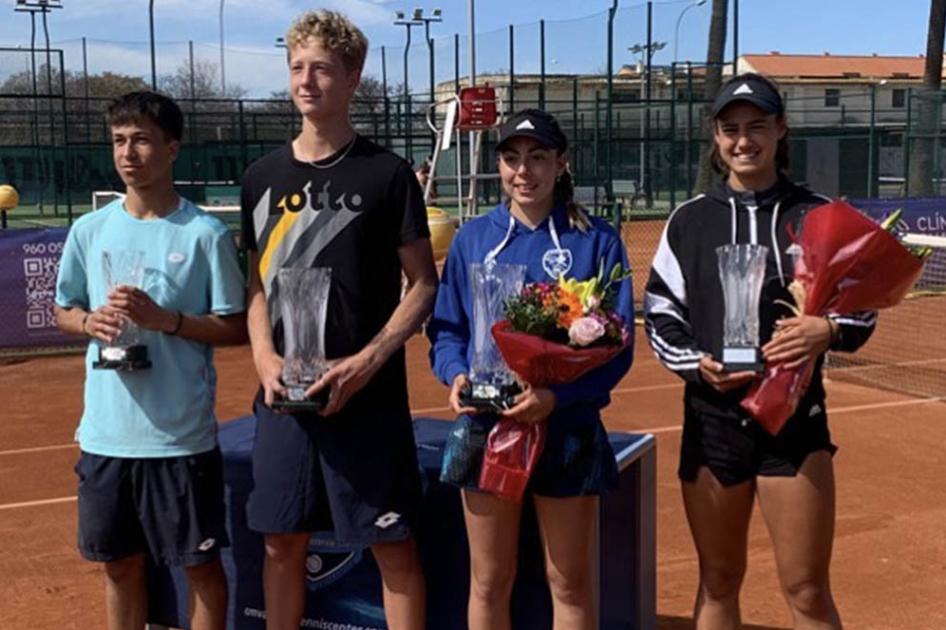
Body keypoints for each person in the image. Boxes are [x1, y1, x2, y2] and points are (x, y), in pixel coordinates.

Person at [643, 73, 876, 629]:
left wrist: (827, 331)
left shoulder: (819, 214)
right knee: (718, 582)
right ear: (716, 138)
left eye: (756, 127)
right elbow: (660, 313)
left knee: (807, 589)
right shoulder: (690, 219)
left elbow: (862, 307)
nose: (743, 141)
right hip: (713, 422)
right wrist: (695, 365)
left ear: (780, 129)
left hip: (794, 425)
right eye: (730, 130)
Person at [239, 10, 438, 630]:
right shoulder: (260, 178)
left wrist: (366, 361)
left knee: (393, 547)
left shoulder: (386, 173)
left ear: (353, 78)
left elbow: (423, 285)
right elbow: (255, 289)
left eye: (322, 68)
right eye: (297, 67)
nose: (306, 80)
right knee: (281, 544)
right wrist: (265, 361)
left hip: (368, 401)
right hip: (283, 402)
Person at [427, 108, 634, 630]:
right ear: (499, 166)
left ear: (561, 164)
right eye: (512, 158)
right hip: (483, 427)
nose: (524, 171)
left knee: (568, 581)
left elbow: (618, 343)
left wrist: (557, 399)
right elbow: (447, 330)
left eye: (538, 158)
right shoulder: (473, 240)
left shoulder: (597, 241)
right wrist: (455, 375)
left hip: (566, 429)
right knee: (488, 580)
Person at [54, 91, 247, 630]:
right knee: (119, 566)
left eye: (141, 139)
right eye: (118, 140)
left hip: (180, 439)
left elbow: (235, 326)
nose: (128, 152)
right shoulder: (88, 232)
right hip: (105, 437)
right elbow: (64, 310)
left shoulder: (204, 234)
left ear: (172, 147)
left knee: (200, 567)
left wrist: (170, 321)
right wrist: (89, 323)